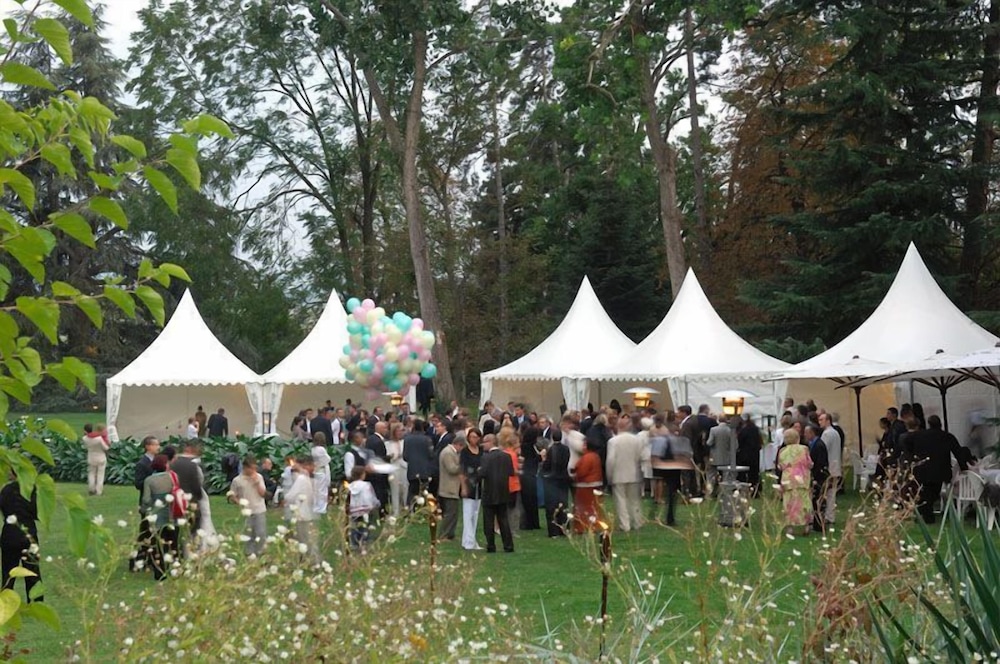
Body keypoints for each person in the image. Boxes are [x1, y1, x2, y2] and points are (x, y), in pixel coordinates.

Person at [908, 414, 967, 523]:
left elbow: (909, 446)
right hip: (940, 471)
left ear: (929, 424)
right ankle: (926, 514)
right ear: (940, 424)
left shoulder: (919, 435)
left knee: (925, 492)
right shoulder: (947, 436)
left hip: (922, 469)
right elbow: (958, 452)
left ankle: (924, 512)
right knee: (933, 493)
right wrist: (964, 467)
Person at [0, 476, 41, 601]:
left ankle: (5, 604)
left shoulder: (6, 490)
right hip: (28, 534)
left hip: (9, 534)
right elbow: (37, 513)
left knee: (8, 575)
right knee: (33, 573)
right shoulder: (31, 489)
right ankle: (36, 603)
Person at [141, 454, 179, 581]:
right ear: (166, 465)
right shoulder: (172, 477)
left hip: (156, 515)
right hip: (171, 513)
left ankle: (160, 572)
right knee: (173, 543)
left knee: (158, 545)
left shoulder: (149, 480)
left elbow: (146, 499)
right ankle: (175, 567)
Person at [605, 414, 646, 532]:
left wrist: (609, 475)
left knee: (621, 501)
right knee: (634, 500)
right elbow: (641, 456)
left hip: (618, 474)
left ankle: (625, 524)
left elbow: (611, 460)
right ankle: (637, 521)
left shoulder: (613, 441)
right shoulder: (637, 440)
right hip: (634, 473)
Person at [479, 434, 514, 553]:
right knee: (503, 520)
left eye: (484, 442)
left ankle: (491, 546)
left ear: (490, 442)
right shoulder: (506, 456)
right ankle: (508, 545)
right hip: (503, 491)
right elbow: (511, 472)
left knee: (488, 521)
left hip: (489, 492)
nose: (483, 445)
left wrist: (478, 472)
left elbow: (482, 473)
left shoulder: (486, 457)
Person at [130, 436, 160, 571]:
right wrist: (151, 480)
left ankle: (151, 556)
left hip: (156, 500)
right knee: (145, 530)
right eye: (155, 445)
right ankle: (139, 557)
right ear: (148, 446)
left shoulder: (157, 461)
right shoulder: (142, 463)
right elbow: (138, 483)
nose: (158, 447)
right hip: (147, 501)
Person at [228, 455, 267, 555]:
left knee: (261, 533)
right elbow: (232, 495)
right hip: (247, 510)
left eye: (255, 468)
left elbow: (263, 494)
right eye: (251, 468)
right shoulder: (237, 480)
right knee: (249, 533)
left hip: (259, 509)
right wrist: (238, 502)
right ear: (245, 467)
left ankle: (260, 552)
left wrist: (257, 483)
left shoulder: (259, 477)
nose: (254, 470)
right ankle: (249, 553)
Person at [777, 429, 813, 536]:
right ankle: (806, 526)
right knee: (804, 502)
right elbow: (809, 463)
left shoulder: (782, 451)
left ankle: (790, 527)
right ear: (797, 438)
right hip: (802, 479)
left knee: (789, 503)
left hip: (788, 480)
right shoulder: (804, 449)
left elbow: (780, 466)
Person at [285, 456, 319, 564]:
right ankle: (305, 560)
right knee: (305, 539)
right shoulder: (306, 478)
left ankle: (313, 562)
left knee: (305, 540)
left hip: (300, 513)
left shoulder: (302, 479)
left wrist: (286, 498)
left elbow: (290, 496)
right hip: (306, 512)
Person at [170, 439, 205, 540]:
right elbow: (196, 485)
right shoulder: (192, 465)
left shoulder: (173, 463)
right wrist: (199, 496)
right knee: (193, 526)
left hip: (175, 499)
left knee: (177, 526)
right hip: (191, 499)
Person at [541, 424, 571, 537]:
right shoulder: (566, 449)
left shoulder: (551, 450)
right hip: (563, 478)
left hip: (553, 480)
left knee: (552, 506)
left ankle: (553, 530)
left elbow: (547, 465)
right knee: (563, 504)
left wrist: (543, 461)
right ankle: (564, 528)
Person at [572, 437, 604, 533]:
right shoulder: (595, 456)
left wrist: (574, 474)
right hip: (595, 484)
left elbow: (582, 472)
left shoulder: (587, 457)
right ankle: (595, 525)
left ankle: (582, 526)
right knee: (594, 507)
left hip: (586, 486)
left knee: (583, 507)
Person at [459, 429, 484, 551]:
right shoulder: (465, 452)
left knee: (475, 513)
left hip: (479, 484)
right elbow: (462, 471)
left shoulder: (481, 451)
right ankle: (469, 541)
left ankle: (469, 540)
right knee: (468, 514)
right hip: (469, 484)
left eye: (476, 437)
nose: (474, 439)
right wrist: (463, 487)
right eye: (472, 437)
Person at [437, 432, 463, 542]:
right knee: (449, 513)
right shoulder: (448, 453)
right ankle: (443, 535)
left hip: (453, 487)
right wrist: (463, 466)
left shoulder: (452, 452)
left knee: (454, 513)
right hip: (448, 487)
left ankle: (450, 534)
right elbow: (452, 469)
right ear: (458, 444)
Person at [402, 420, 436, 505]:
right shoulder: (427, 439)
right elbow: (431, 455)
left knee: (412, 493)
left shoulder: (407, 439)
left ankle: (410, 509)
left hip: (412, 470)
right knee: (423, 493)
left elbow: (405, 456)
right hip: (425, 470)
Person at [347, 466, 380, 553]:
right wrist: (375, 504)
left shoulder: (350, 486)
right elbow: (369, 496)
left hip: (354, 510)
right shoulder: (366, 485)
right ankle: (364, 543)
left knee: (354, 527)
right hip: (365, 510)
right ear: (362, 475)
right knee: (365, 527)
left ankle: (354, 544)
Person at [818, 412, 841, 526]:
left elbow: (823, 449)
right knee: (832, 493)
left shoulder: (827, 434)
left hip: (829, 466)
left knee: (827, 492)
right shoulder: (835, 432)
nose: (819, 422)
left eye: (822, 420)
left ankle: (827, 515)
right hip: (835, 465)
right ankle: (830, 516)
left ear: (828, 420)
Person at [805, 425, 830, 533]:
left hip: (819, 477)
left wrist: (815, 476)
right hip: (817, 476)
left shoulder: (819, 445)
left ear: (812, 433)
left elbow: (820, 462)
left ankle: (819, 525)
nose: (805, 435)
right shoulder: (814, 444)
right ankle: (816, 523)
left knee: (819, 501)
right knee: (816, 501)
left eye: (806, 433)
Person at [519, 424, 542, 530]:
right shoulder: (526, 447)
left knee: (532, 499)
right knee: (528, 500)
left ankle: (534, 522)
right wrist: (540, 456)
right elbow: (530, 461)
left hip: (531, 475)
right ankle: (529, 523)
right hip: (527, 475)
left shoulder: (532, 446)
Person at [366, 422, 391, 517]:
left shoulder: (370, 439)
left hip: (371, 470)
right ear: (379, 429)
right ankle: (381, 511)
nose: (386, 430)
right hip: (379, 471)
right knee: (381, 492)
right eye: (384, 428)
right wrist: (388, 458)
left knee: (374, 491)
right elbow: (380, 457)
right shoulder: (379, 442)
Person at [386, 423, 408, 517]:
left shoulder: (404, 442)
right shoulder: (388, 444)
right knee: (395, 489)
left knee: (405, 488)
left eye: (401, 431)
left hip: (404, 467)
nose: (400, 433)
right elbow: (388, 456)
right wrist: (394, 456)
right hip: (394, 468)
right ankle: (396, 511)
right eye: (398, 431)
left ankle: (405, 509)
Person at [82, 423, 109, 496]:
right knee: (100, 475)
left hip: (91, 457)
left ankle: (91, 488)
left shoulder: (85, 438)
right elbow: (106, 447)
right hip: (101, 457)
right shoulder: (99, 438)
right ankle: (99, 491)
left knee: (91, 473)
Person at [311, 432, 332, 515]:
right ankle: (321, 508)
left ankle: (316, 507)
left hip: (316, 470)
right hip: (322, 471)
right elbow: (328, 459)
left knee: (316, 490)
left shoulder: (313, 449)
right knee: (322, 491)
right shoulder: (321, 449)